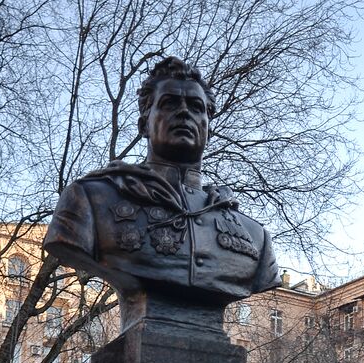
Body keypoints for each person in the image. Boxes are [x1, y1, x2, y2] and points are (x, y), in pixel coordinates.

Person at [44, 57, 278, 307]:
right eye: (169, 103)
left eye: (196, 107)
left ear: (207, 127)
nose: (184, 112)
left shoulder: (256, 236)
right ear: (144, 125)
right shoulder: (90, 199)